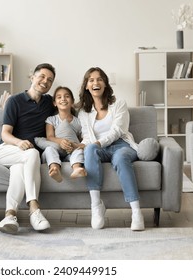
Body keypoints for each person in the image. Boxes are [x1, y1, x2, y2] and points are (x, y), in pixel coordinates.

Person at [77, 67, 145, 231]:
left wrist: (98, 143)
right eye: (91, 80)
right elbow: (87, 136)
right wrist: (83, 145)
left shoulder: (118, 104)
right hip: (98, 148)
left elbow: (118, 130)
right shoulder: (83, 112)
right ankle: (96, 206)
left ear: (105, 84)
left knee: (121, 159)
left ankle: (136, 212)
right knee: (89, 151)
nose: (95, 82)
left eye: (99, 79)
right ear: (86, 86)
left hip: (121, 145)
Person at [0, 63, 56, 234]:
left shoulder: (49, 102)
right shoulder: (14, 100)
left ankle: (10, 215)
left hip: (24, 158)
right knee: (32, 153)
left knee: (18, 170)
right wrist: (19, 142)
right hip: (7, 149)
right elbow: (5, 134)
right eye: (42, 76)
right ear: (32, 77)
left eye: (50, 80)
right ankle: (34, 209)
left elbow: (70, 106)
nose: (45, 81)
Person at [40, 86, 86, 183]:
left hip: (71, 153)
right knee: (49, 149)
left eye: (67, 96)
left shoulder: (78, 121)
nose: (63, 99)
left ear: (72, 101)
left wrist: (75, 146)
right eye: (59, 97)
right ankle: (55, 169)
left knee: (79, 151)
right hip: (56, 150)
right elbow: (50, 137)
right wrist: (60, 142)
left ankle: (77, 168)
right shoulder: (51, 119)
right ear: (54, 103)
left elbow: (82, 140)